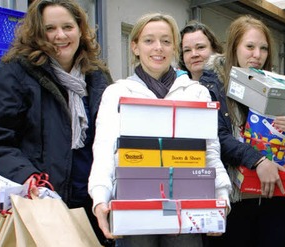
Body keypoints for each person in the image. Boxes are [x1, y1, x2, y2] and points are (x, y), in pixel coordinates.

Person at [87, 13, 231, 246]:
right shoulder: (117, 93)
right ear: (135, 46)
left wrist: (222, 194)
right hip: (132, 207)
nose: (158, 48)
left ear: (174, 47)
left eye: (166, 41)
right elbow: (104, 150)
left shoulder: (196, 93)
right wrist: (100, 197)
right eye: (149, 40)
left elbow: (210, 151)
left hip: (187, 205)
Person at [0, 0, 113, 245]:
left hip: (90, 203)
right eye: (49, 28)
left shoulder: (97, 76)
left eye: (67, 26)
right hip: (39, 204)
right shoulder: (14, 73)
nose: (60, 35)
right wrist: (27, 176)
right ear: (36, 32)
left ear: (80, 30)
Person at [201, 15, 285, 247]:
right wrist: (258, 160)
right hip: (234, 200)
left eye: (263, 48)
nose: (257, 55)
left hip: (274, 197)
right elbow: (217, 137)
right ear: (234, 47)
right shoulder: (211, 86)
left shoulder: (277, 88)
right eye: (250, 47)